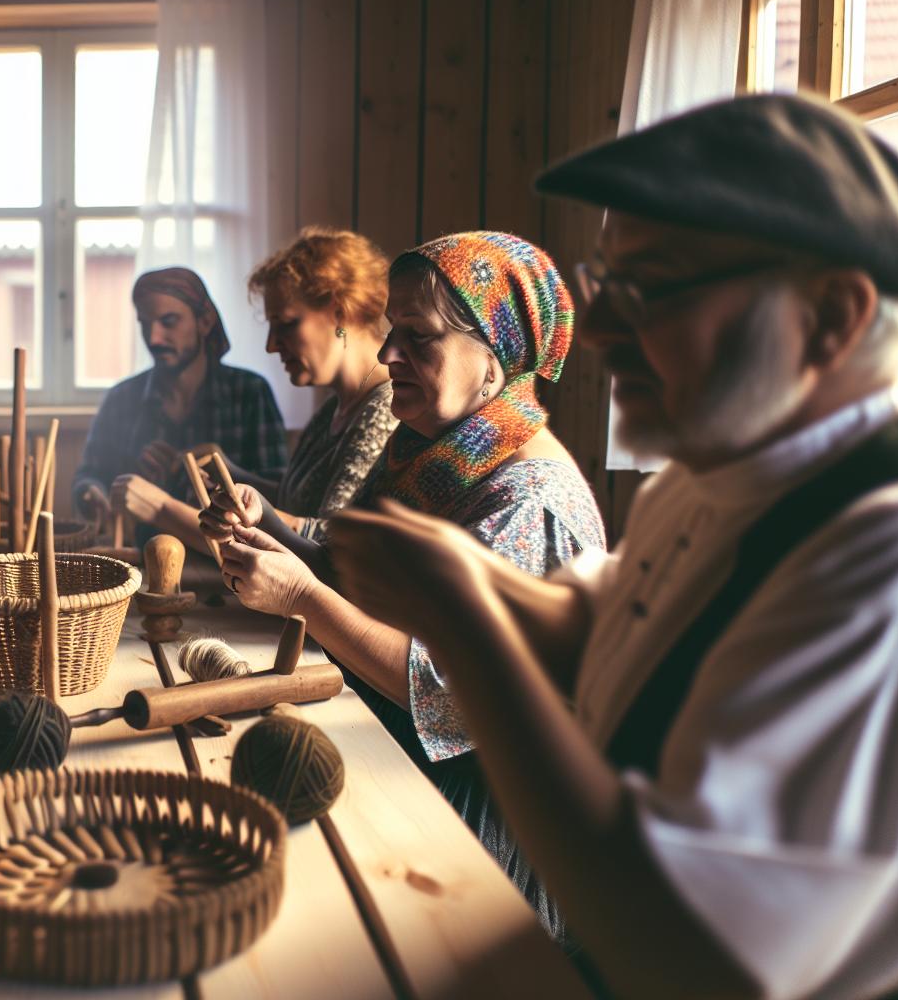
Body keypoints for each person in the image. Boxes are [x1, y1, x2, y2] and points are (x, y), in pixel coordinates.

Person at [326, 94, 898, 999]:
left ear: (831, 316)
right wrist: (465, 576)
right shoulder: (727, 471)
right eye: (604, 287)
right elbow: (613, 627)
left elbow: (676, 948)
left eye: (655, 290)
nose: (594, 331)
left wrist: (460, 616)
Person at [201, 231, 604, 943]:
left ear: (497, 355)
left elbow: (446, 693)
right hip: (405, 767)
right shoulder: (443, 457)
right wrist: (277, 540)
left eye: (418, 338)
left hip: (482, 836)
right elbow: (366, 565)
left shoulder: (528, 501)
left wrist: (301, 597)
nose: (389, 357)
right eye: (392, 332)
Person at [114, 229, 399, 547]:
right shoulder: (335, 410)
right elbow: (295, 501)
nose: (271, 345)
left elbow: (330, 543)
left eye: (287, 324)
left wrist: (161, 507)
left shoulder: (384, 408)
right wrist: (230, 472)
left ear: (341, 312)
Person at [73, 267, 288, 535]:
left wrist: (225, 475)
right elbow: (88, 477)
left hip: (227, 564)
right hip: (139, 557)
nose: (154, 338)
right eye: (145, 323)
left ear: (205, 321)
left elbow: (282, 496)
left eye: (169, 321)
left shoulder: (250, 394)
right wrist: (93, 495)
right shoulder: (121, 399)